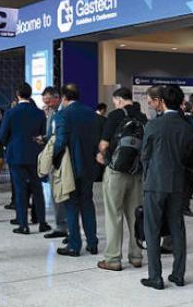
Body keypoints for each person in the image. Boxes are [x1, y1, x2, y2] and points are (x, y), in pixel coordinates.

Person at [140, 85, 193, 290]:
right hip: (178, 184)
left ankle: (155, 276)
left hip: (155, 182)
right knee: (177, 228)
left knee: (152, 229)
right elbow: (192, 157)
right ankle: (178, 274)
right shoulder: (187, 127)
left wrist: (147, 177)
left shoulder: (154, 125)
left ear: (162, 101)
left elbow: (145, 155)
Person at [96, 87, 147, 271]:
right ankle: (136, 256)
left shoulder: (115, 115)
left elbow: (104, 144)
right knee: (135, 215)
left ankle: (113, 259)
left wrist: (102, 156)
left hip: (116, 172)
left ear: (117, 99)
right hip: (136, 172)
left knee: (113, 214)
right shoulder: (142, 117)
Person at [52, 83, 100, 257]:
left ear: (64, 98)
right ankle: (92, 243)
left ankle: (74, 245)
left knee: (71, 206)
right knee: (87, 203)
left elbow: (60, 141)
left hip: (70, 168)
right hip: (89, 166)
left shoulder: (62, 114)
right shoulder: (91, 114)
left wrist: (52, 159)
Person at [0, 83, 50, 235]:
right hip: (35, 155)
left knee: (20, 191)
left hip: (16, 156)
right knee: (38, 190)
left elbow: (2, 135)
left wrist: (10, 144)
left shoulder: (11, 112)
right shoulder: (39, 113)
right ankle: (42, 222)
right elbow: (42, 134)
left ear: (17, 94)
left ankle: (23, 224)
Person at [41, 86, 68, 240]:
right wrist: (44, 139)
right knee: (55, 194)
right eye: (45, 101)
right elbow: (51, 135)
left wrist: (51, 155)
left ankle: (65, 227)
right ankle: (61, 226)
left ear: (57, 98)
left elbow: (60, 138)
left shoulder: (64, 114)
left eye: (49, 101)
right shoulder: (52, 113)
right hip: (54, 157)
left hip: (60, 159)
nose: (47, 104)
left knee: (64, 195)